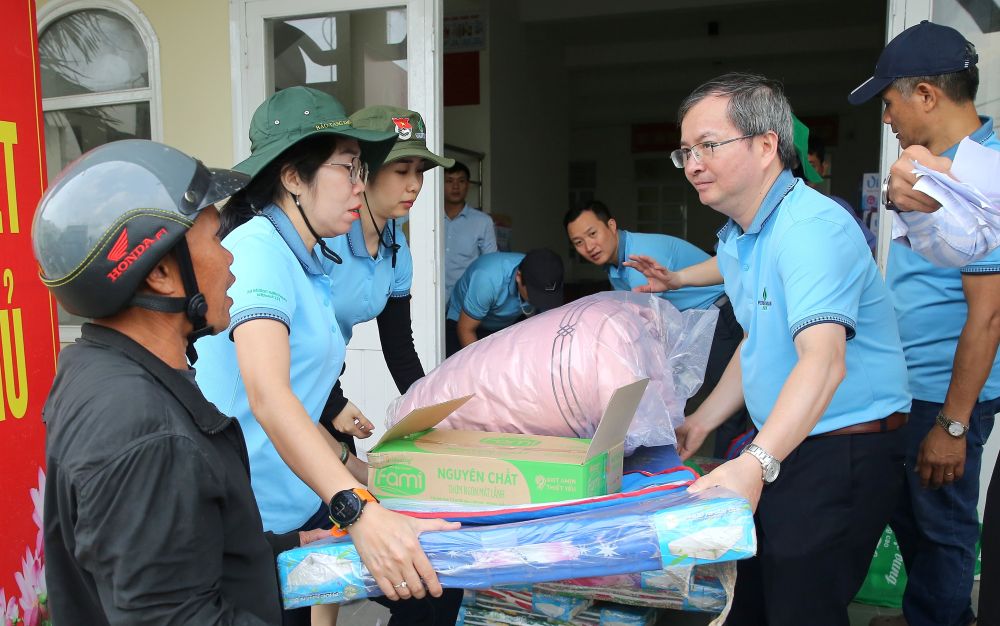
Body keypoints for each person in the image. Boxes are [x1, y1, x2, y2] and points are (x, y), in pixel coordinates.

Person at [638, 72, 911, 625]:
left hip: (841, 450)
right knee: (754, 603)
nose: (693, 163)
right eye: (685, 151)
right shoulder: (742, 235)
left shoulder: (810, 228)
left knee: (800, 608)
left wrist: (756, 461)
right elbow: (757, 343)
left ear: (766, 146)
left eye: (708, 146)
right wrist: (701, 421)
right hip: (787, 445)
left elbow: (824, 360)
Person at [193, 87, 460, 626]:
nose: (361, 187)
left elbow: (313, 389)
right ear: (293, 177)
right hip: (254, 516)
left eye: (364, 170)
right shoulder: (258, 250)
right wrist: (357, 506)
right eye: (348, 169)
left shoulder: (312, 258)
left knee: (435, 581)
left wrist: (363, 476)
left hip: (300, 495)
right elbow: (270, 396)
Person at [36, 140, 283, 623]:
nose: (231, 260)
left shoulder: (95, 367)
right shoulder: (146, 431)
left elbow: (171, 549)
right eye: (217, 240)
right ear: (164, 275)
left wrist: (285, 549)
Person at [848, 20, 1000, 626]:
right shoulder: (935, 167)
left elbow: (987, 317)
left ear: (927, 95)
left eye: (890, 102)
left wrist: (954, 426)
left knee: (942, 536)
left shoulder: (980, 177)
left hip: (944, 397)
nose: (887, 117)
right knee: (914, 526)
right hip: (910, 390)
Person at [317, 105, 452, 461]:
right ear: (363, 171)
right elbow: (299, 338)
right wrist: (334, 403)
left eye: (420, 171)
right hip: (286, 380)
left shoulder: (396, 248)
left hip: (325, 377)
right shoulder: (323, 238)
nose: (415, 184)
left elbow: (399, 349)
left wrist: (427, 416)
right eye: (401, 170)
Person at [563, 201, 748, 458]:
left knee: (728, 408)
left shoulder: (639, 260)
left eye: (592, 234)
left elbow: (650, 331)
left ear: (611, 226)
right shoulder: (616, 264)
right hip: (695, 321)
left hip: (720, 314)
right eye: (578, 242)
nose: (589, 246)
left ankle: (726, 471)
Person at [445, 249, 564, 356]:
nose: (542, 301)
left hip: (506, 322)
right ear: (518, 276)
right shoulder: (487, 279)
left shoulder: (545, 276)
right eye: (536, 295)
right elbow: (466, 329)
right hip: (466, 324)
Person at [443, 161, 497, 301]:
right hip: (431, 298)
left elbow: (491, 263)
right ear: (439, 184)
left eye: (461, 181)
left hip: (466, 299)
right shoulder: (429, 220)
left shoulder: (483, 221)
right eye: (449, 181)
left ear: (468, 185)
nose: (455, 186)